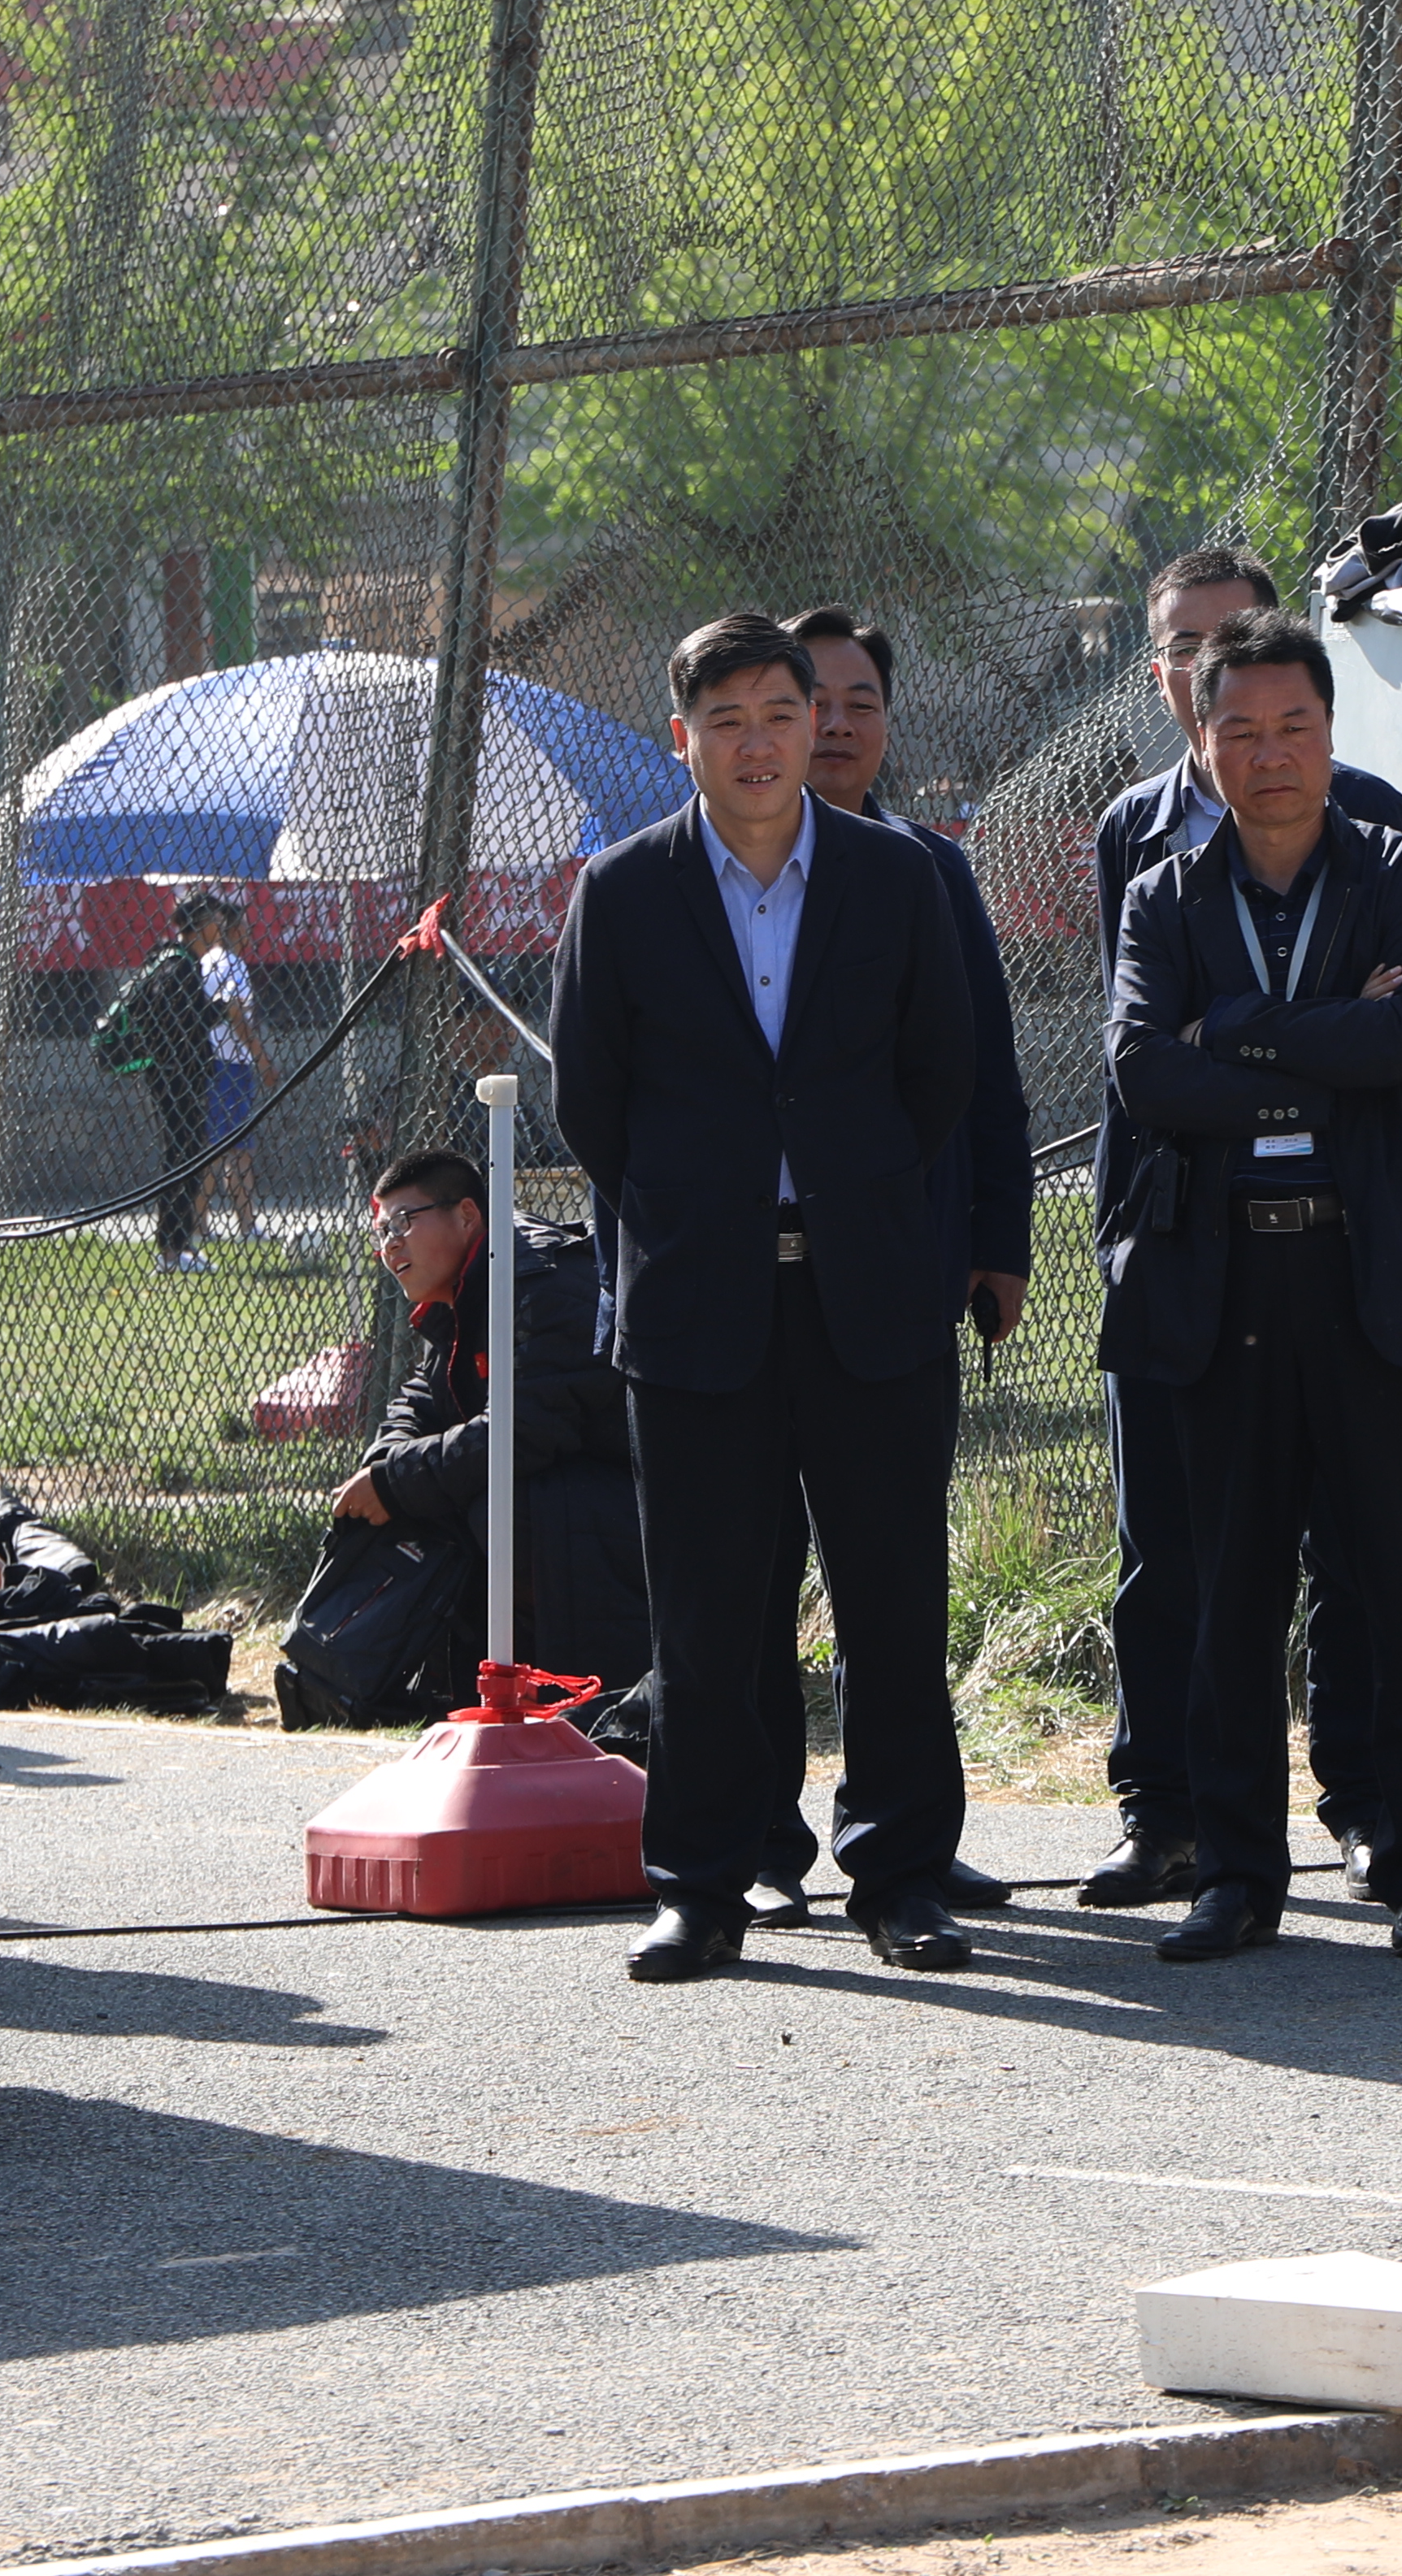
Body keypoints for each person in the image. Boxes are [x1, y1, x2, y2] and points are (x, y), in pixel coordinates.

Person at [551, 611, 978, 1980]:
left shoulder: (899, 879)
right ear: (682, 739)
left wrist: (843, 1193)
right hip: (698, 1306)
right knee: (707, 1613)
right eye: (723, 720)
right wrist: (701, 1208)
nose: (756, 743)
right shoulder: (620, 893)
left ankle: (903, 1873)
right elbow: (593, 1107)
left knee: (893, 1599)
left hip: (869, 1295)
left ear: (817, 727)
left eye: (779, 715)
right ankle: (703, 1881)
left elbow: (937, 1077)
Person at [1100, 609, 1402, 1965]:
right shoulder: (1165, 895)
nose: (1269, 756)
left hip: (1368, 1263)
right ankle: (1237, 1873)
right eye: (1240, 731)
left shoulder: (1398, 870)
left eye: (1294, 728)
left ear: (1333, 737)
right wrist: (1319, 1047)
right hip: (1225, 1275)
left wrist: (1253, 1029)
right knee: (1231, 1587)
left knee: (1400, 1574)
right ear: (1200, 743)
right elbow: (1146, 1069)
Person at [792, 604, 1034, 1915]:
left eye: (858, 704)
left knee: (896, 1574)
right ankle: (752, 1848)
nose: (832, 727)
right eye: (807, 701)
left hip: (898, 1283)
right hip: (741, 1292)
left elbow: (988, 1071)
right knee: (743, 1576)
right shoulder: (697, 873)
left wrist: (997, 1245)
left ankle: (908, 1843)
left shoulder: (931, 871)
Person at [332, 1147, 650, 1693]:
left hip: (637, 1511)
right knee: (429, 1489)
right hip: (579, 1502)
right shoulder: (471, 1281)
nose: (390, 1246)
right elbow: (421, 1396)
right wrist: (384, 1464)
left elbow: (522, 1431)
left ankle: (580, 1687)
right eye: (382, 1232)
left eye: (404, 1223)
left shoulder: (536, 1282)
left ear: (467, 1216)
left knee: (496, 1506)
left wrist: (396, 1481)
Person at [137, 891, 241, 1269]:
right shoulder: (179, 967)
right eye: (215, 919)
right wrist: (221, 1009)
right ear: (199, 926)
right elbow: (184, 1022)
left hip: (176, 1073)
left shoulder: (176, 962)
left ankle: (176, 1244)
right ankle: (171, 1248)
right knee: (184, 1156)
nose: (222, 926)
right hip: (178, 1075)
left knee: (186, 1155)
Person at [196, 892, 276, 1247]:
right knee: (228, 1149)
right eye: (243, 926)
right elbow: (237, 1018)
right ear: (231, 929)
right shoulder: (232, 964)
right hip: (230, 1065)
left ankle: (230, 1224)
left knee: (224, 1147)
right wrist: (263, 1061)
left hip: (210, 1062)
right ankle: (229, 1226)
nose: (248, 933)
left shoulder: (203, 962)